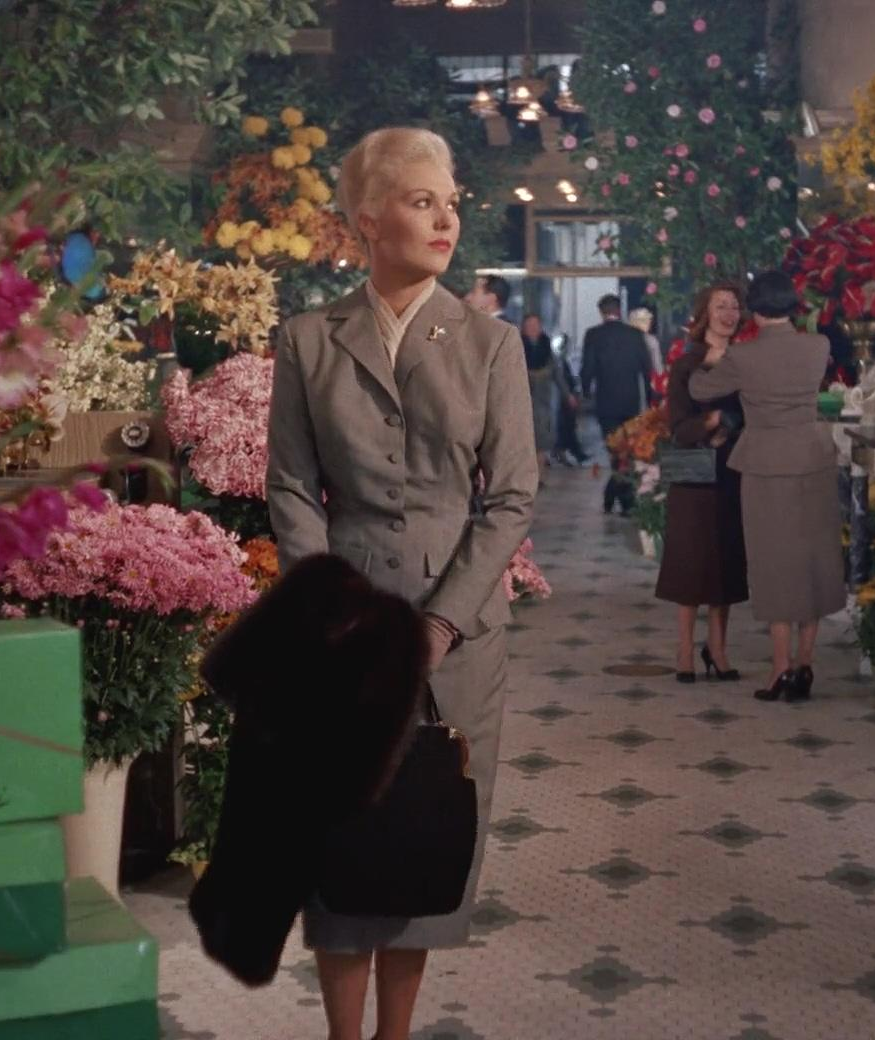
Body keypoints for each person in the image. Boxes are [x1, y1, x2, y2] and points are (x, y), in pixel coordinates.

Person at [265, 126, 538, 1040]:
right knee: (338, 834)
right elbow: (292, 487)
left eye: (451, 203)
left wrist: (440, 625)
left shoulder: (490, 343)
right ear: (368, 220)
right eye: (423, 202)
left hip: (458, 641)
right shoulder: (308, 340)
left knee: (426, 829)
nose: (445, 219)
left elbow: (513, 496)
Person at [689, 270, 845, 702]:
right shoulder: (818, 345)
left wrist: (713, 354)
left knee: (775, 564)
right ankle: (806, 664)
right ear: (792, 304)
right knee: (813, 561)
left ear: (754, 310)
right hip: (813, 459)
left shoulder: (744, 355)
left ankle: (779, 667)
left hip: (766, 465)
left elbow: (700, 389)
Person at [655, 283, 749, 683]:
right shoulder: (688, 364)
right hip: (694, 478)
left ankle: (718, 648)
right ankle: (684, 650)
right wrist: (710, 422)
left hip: (733, 471)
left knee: (726, 562)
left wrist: (735, 427)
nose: (728, 314)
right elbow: (677, 426)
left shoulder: (744, 362)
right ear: (705, 314)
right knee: (691, 564)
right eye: (720, 306)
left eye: (734, 306)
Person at [580, 293, 654, 514]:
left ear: (602, 312)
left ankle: (619, 497)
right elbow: (647, 368)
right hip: (631, 402)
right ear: (619, 310)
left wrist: (585, 391)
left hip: (607, 403)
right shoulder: (634, 334)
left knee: (615, 450)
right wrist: (650, 397)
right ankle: (619, 496)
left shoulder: (594, 335)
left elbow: (588, 367)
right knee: (628, 451)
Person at [520, 313, 557, 478]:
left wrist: (568, 395)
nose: (533, 328)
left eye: (536, 325)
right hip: (522, 400)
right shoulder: (517, 345)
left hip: (542, 400)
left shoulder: (546, 346)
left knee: (541, 439)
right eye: (529, 325)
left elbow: (557, 372)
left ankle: (539, 475)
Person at [553, 338, 588, 466]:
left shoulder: (563, 361)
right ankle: (567, 451)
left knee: (568, 424)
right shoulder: (559, 361)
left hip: (566, 397)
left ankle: (571, 451)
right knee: (565, 425)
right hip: (562, 398)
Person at [628, 306, 664, 374]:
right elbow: (658, 368)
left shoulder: (626, 338)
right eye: (645, 321)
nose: (649, 323)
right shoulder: (651, 340)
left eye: (649, 320)